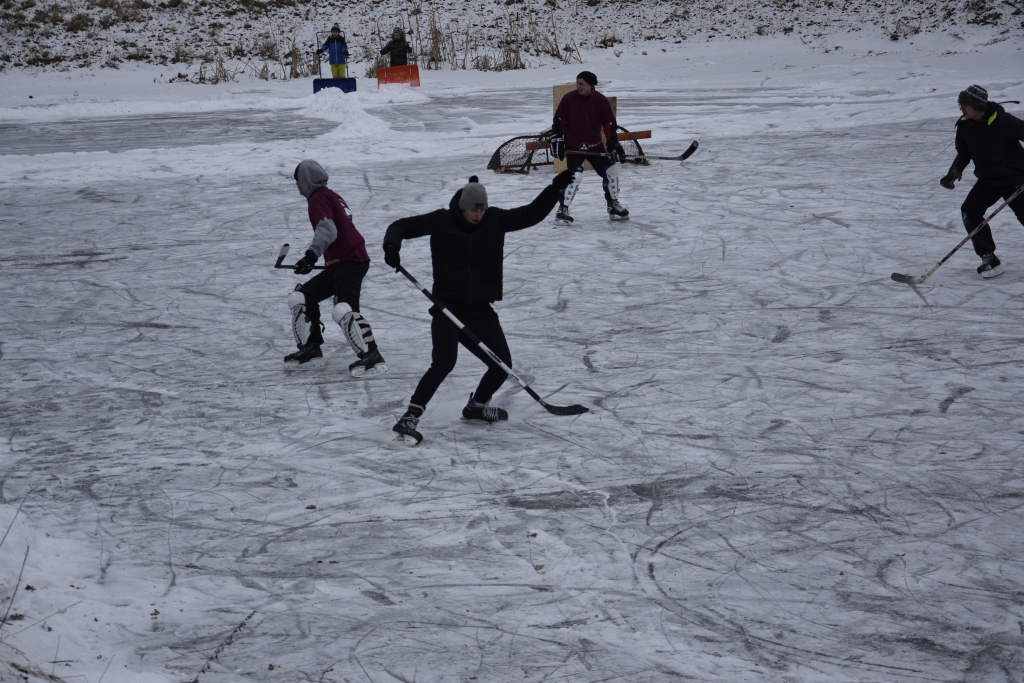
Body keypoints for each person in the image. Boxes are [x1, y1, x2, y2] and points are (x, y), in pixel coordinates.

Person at [382, 171, 574, 445]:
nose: (478, 215)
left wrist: (555, 188)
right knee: (444, 362)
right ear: (462, 207)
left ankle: (476, 407)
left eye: (482, 209)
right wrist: (392, 246)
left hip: (480, 309)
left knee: (501, 365)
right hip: (447, 306)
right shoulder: (442, 220)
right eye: (474, 210)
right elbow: (400, 226)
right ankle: (410, 417)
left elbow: (531, 214)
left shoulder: (494, 220)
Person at [286, 160, 387, 376]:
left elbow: (328, 229)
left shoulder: (318, 199)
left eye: (296, 180)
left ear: (304, 180)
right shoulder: (329, 194)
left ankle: (371, 355)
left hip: (350, 262)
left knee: (344, 309)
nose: (296, 186)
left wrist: (311, 255)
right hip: (341, 262)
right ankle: (311, 349)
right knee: (302, 297)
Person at [940, 84, 1024, 279]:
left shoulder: (1004, 121)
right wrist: (953, 173)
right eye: (960, 104)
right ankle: (989, 259)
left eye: (963, 104)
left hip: (1015, 177)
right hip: (989, 179)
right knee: (970, 211)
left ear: (976, 105)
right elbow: (964, 154)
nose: (961, 108)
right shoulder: (964, 127)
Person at [548, 70, 629, 225]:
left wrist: (613, 144)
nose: (578, 86)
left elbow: (609, 125)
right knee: (575, 176)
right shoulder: (568, 99)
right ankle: (562, 209)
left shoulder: (601, 101)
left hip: (594, 147)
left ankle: (613, 205)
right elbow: (559, 121)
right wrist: (557, 137)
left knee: (611, 172)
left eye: (581, 84)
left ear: (591, 85)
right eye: (577, 83)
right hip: (574, 147)